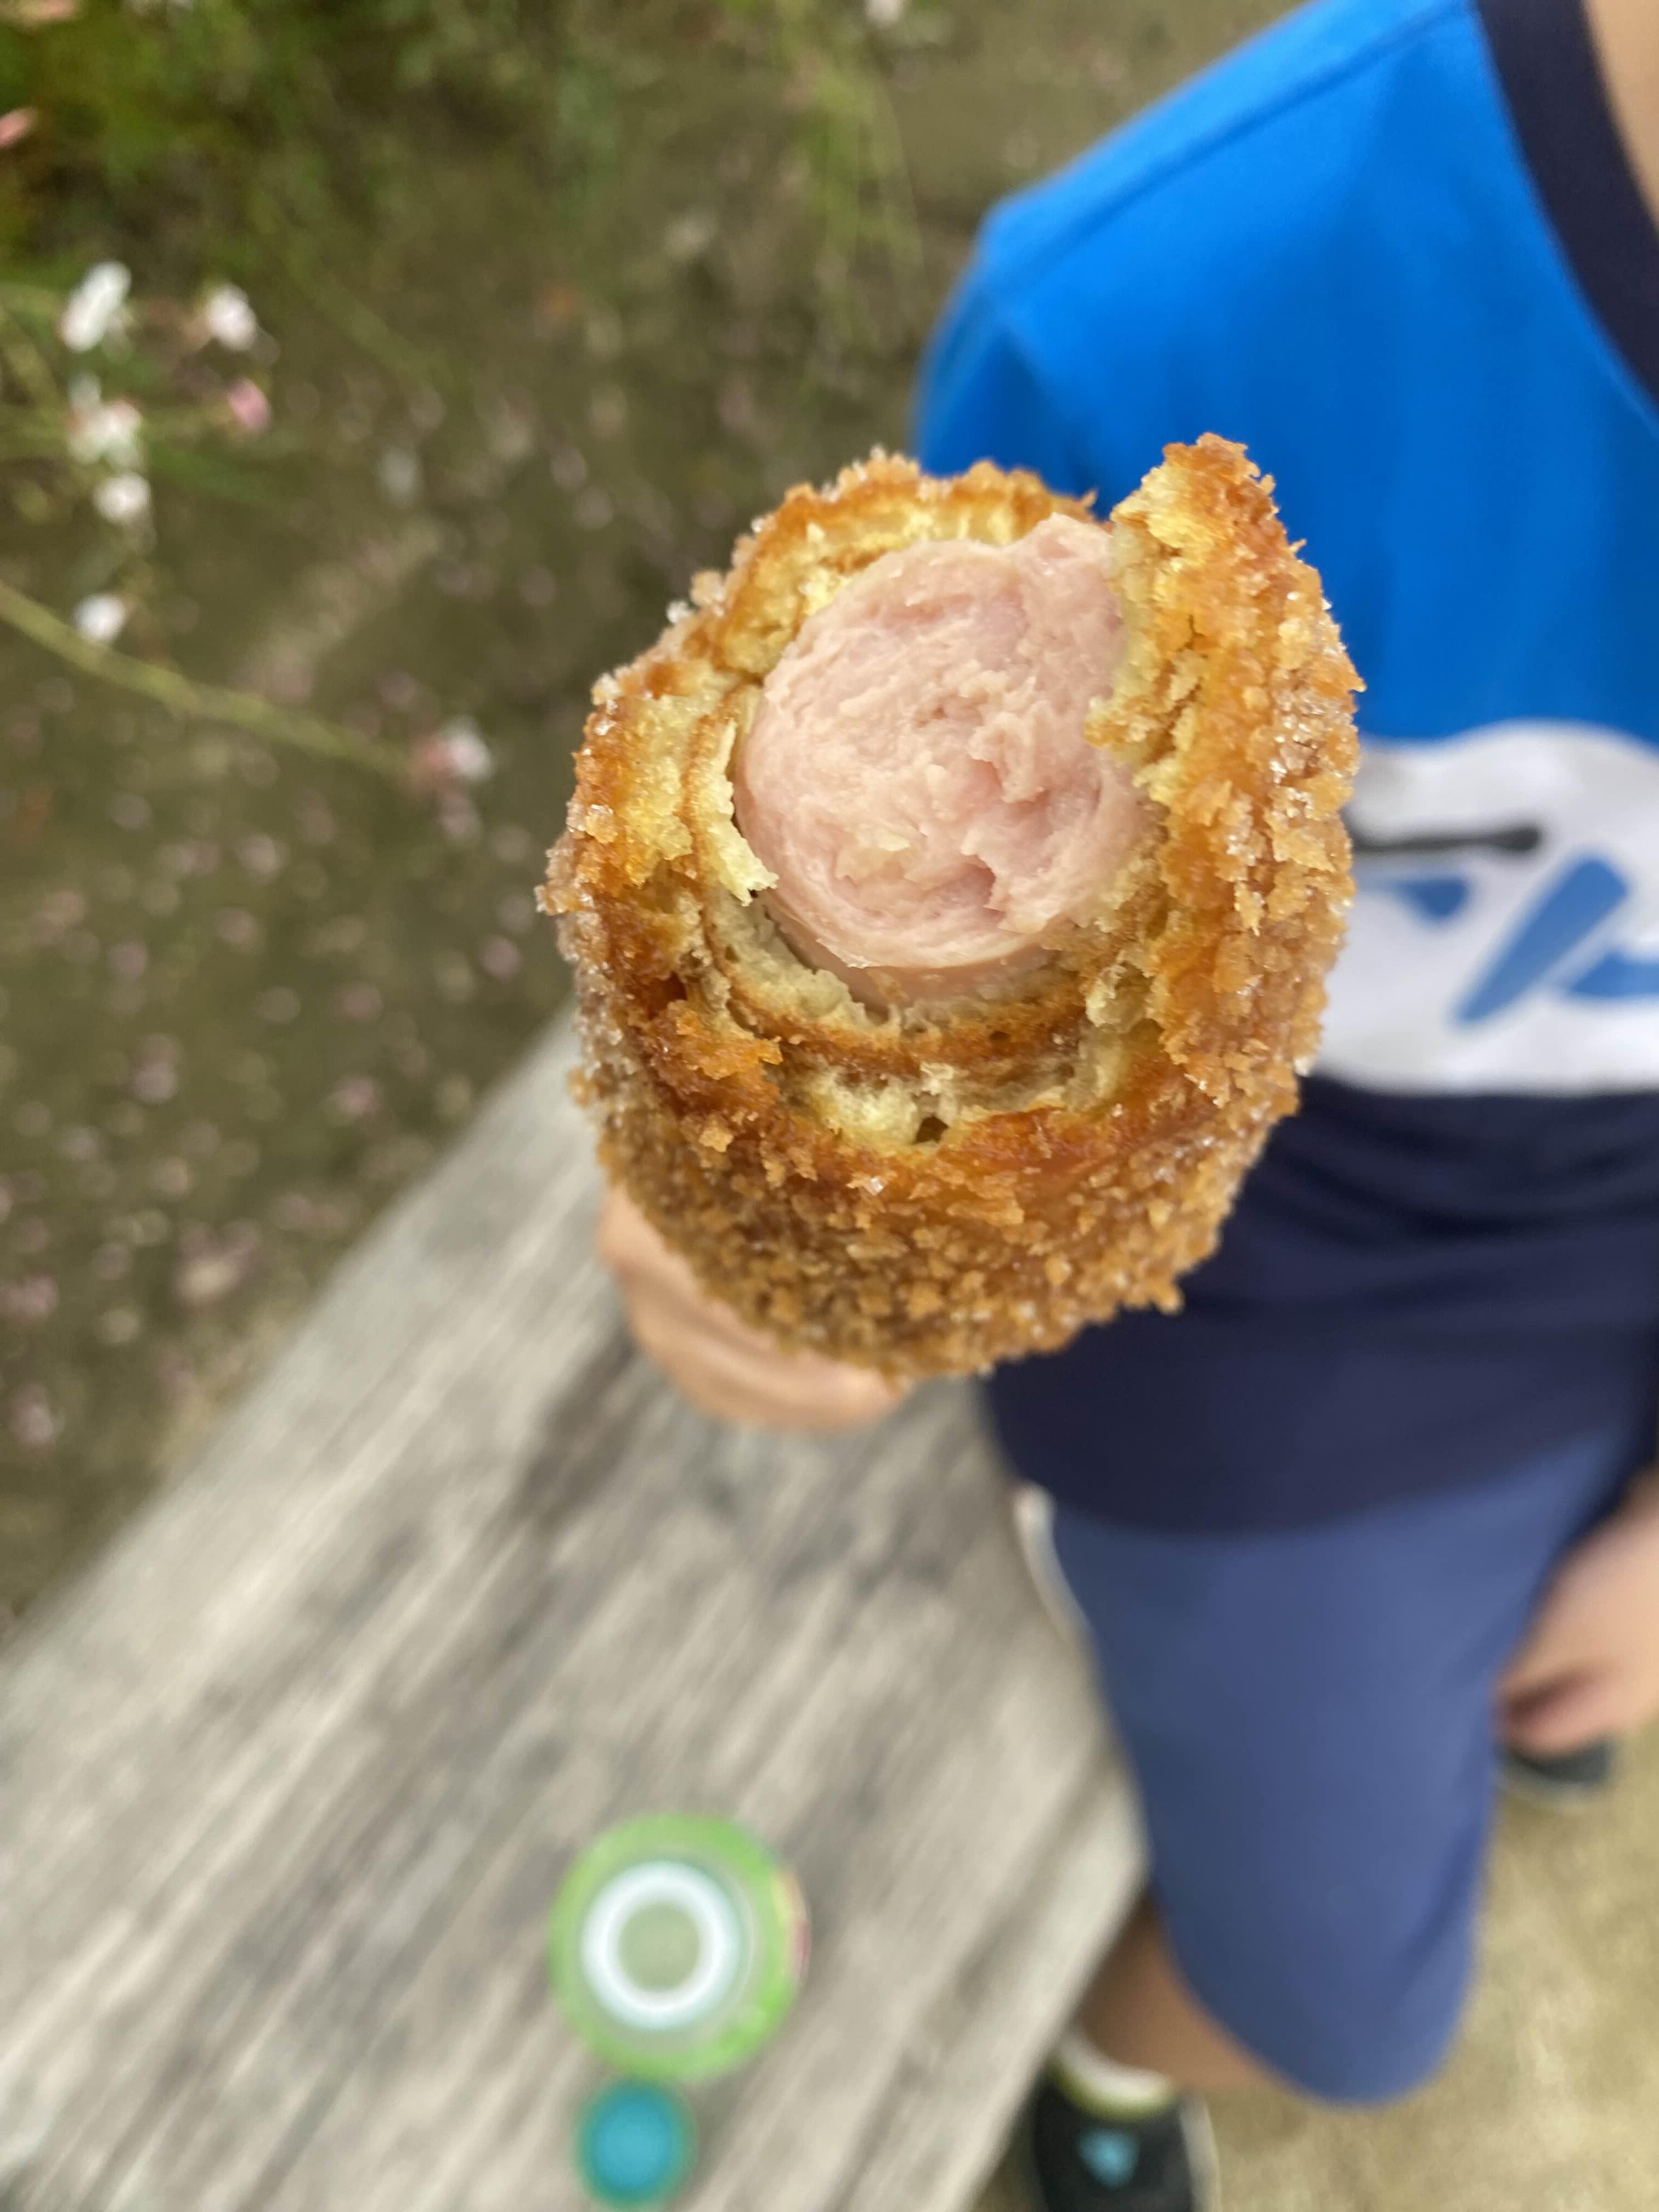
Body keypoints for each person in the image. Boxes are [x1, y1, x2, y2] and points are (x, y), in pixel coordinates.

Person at [597, 0, 1659, 2204]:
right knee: (1341, 2009)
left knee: (1536, 1659)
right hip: (1300, 1274)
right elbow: (874, 1000)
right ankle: (1108, 2067)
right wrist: (764, 1201)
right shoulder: (1152, 318)